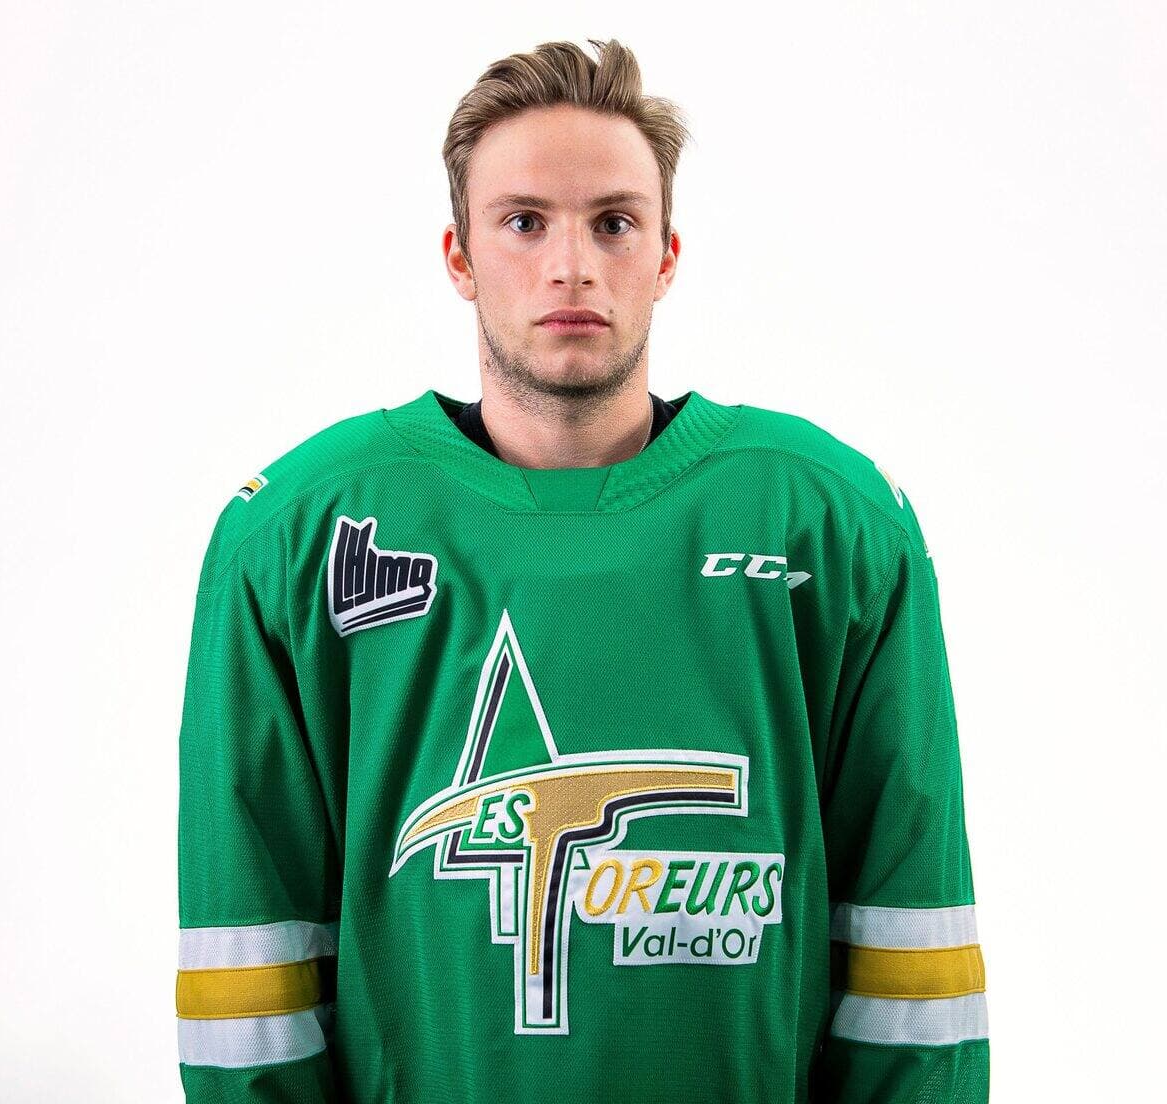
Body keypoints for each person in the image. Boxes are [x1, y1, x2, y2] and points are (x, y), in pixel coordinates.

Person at [175, 37, 989, 1103]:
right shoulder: (299, 535)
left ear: (667, 254)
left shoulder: (831, 525)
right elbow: (247, 973)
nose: (572, 265)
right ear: (459, 256)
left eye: (614, 222)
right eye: (524, 222)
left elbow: (913, 953)